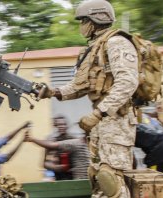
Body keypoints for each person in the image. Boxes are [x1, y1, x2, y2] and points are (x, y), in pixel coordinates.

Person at [39, 0, 139, 197]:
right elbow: (79, 85)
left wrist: (98, 113)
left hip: (116, 122)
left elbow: (128, 82)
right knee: (98, 180)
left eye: (83, 20)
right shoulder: (95, 48)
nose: (81, 26)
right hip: (100, 124)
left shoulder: (117, 42)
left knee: (113, 180)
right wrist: (52, 92)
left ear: (95, 20)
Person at [25, 131, 90, 180]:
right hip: (80, 181)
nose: (62, 127)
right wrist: (32, 139)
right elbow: (45, 163)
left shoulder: (92, 145)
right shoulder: (76, 143)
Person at [44, 116, 75, 180]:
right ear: (55, 126)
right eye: (59, 125)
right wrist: (55, 167)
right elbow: (45, 163)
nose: (62, 126)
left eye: (64, 124)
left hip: (73, 175)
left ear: (67, 126)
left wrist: (73, 168)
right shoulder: (51, 141)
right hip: (57, 175)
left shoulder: (73, 139)